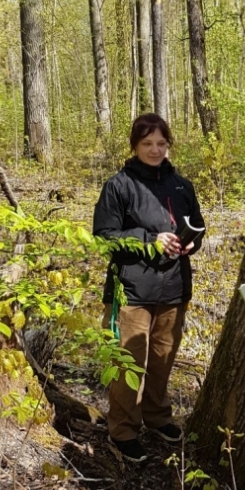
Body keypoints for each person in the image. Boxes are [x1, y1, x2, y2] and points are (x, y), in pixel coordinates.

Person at [93, 114, 204, 464]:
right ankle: (123, 430)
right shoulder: (119, 185)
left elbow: (198, 226)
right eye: (147, 144)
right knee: (129, 365)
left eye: (161, 143)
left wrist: (191, 244)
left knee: (161, 361)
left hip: (174, 288)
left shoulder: (182, 186)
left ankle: (157, 417)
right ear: (135, 147)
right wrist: (148, 240)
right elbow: (103, 237)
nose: (155, 150)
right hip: (131, 290)